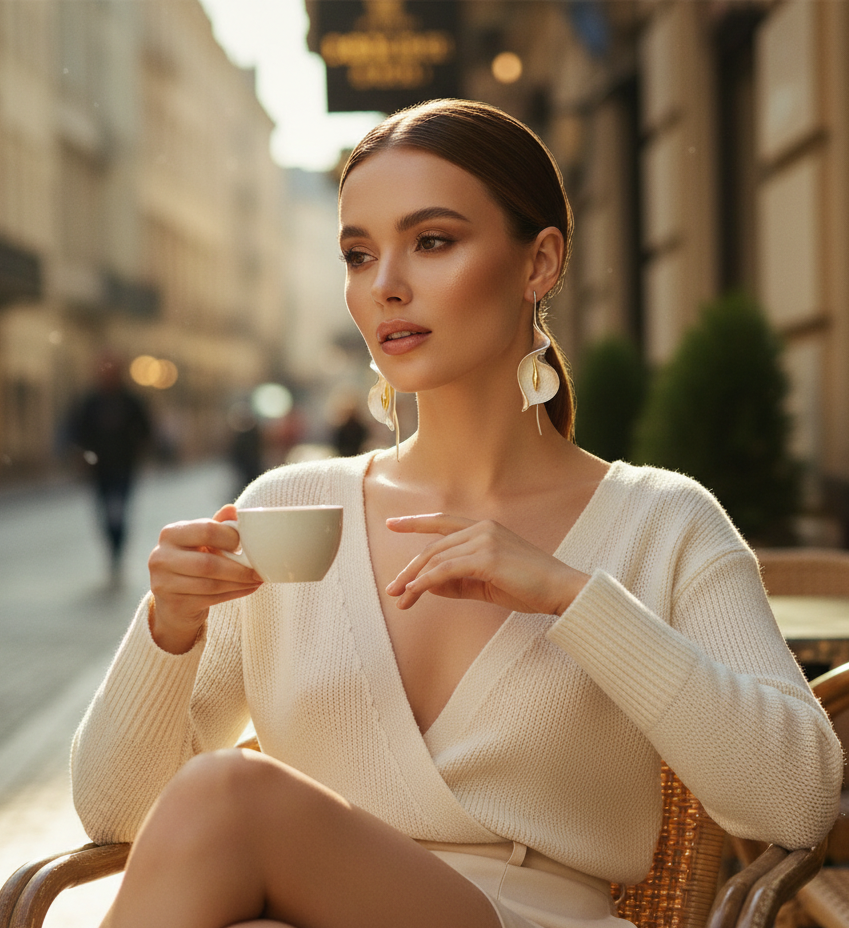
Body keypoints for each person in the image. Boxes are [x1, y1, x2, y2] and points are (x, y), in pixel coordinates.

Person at [71, 100, 841, 928]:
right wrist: (169, 630)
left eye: (432, 241)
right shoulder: (288, 508)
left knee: (230, 790)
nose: (385, 285)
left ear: (539, 263)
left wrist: (571, 597)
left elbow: (796, 805)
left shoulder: (664, 522)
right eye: (358, 254)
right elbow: (117, 820)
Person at [68, 351, 152, 581]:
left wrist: (137, 452)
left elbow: (145, 430)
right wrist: (82, 458)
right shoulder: (91, 402)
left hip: (124, 468)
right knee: (105, 515)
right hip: (100, 470)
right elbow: (78, 431)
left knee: (120, 514)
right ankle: (111, 550)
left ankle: (117, 553)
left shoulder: (130, 401)